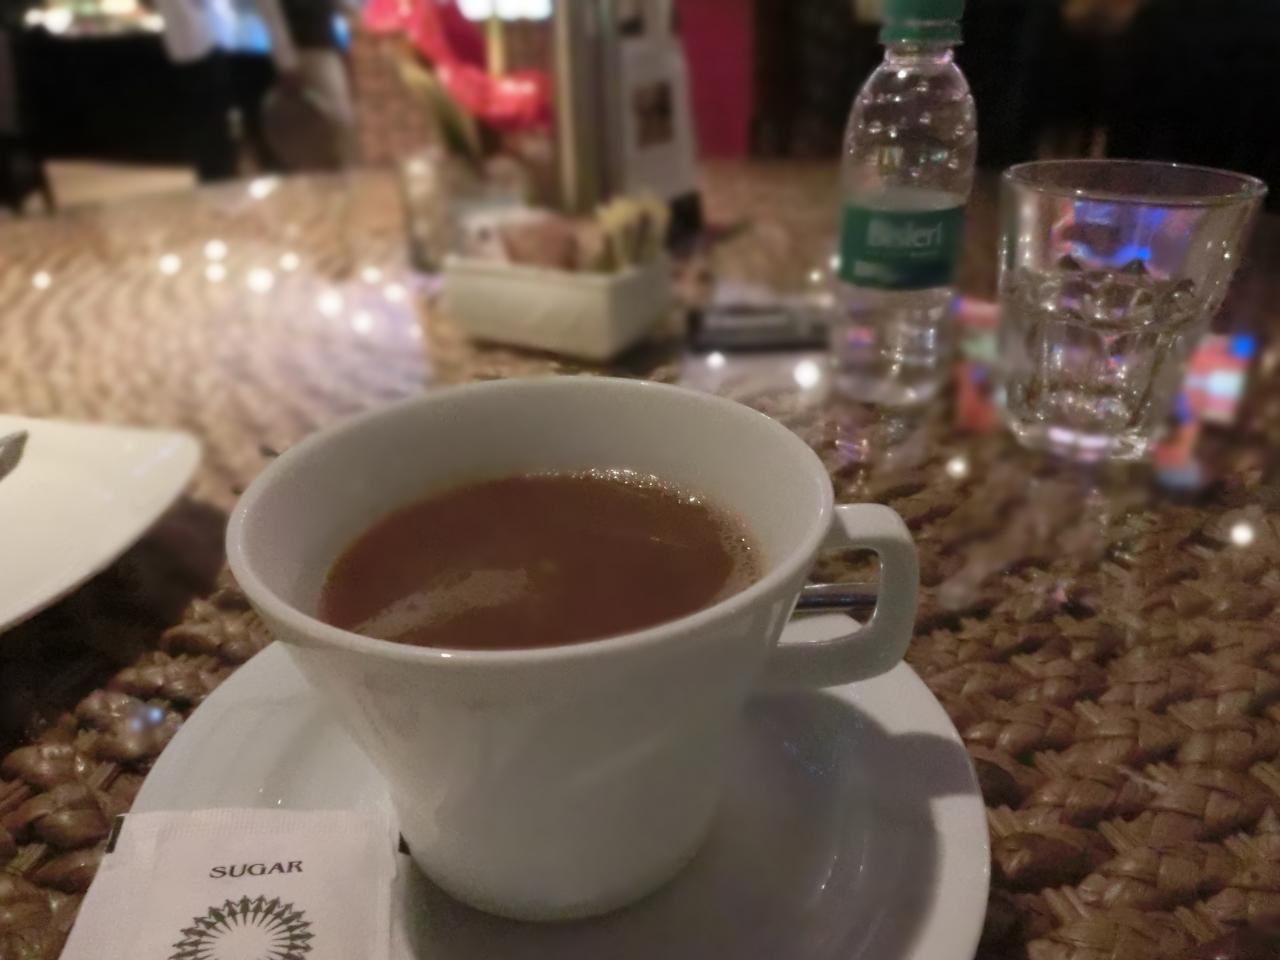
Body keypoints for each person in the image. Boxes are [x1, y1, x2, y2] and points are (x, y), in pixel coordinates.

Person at [257, 0, 357, 167]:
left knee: (340, 122)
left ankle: (342, 170)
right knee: (335, 122)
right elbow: (272, 17)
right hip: (305, 51)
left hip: (323, 47)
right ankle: (337, 171)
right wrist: (286, 63)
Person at [155, 0, 240, 181]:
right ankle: (219, 172)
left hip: (183, 47)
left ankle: (211, 171)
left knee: (201, 119)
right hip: (204, 43)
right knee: (214, 119)